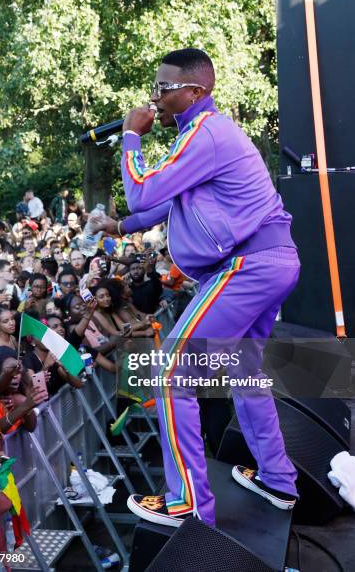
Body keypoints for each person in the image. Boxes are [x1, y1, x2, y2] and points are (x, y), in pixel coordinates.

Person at [92, 48, 300, 528]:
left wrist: (130, 137)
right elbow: (161, 203)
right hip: (271, 260)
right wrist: (119, 227)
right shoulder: (202, 135)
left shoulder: (206, 134)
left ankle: (186, 502)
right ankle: (278, 480)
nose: (155, 98)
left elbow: (143, 188)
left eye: (164, 89)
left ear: (194, 92)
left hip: (246, 265)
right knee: (247, 374)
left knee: (169, 376)